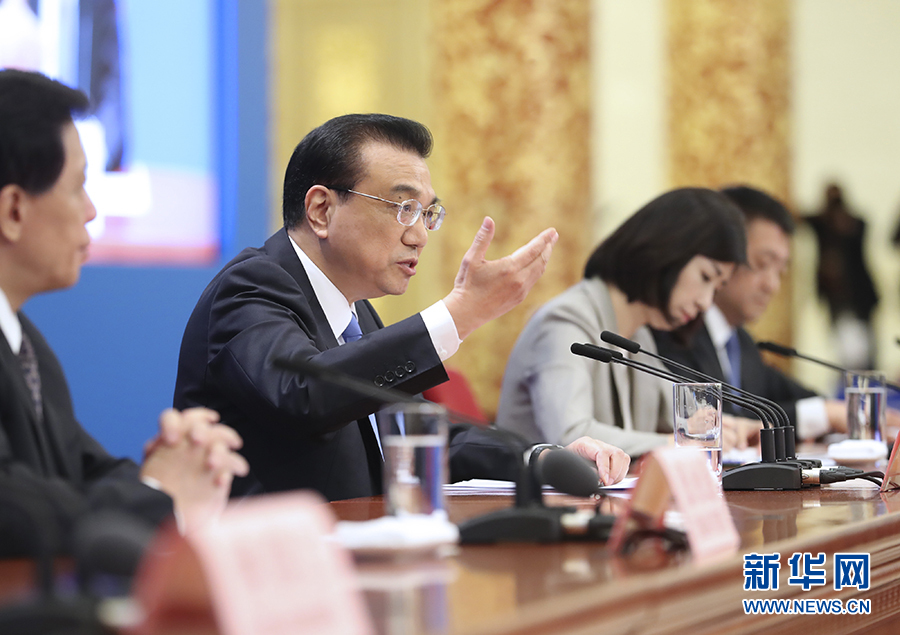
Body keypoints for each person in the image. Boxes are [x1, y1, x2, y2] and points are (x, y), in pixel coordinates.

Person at [173, 114, 630, 500]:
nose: (420, 235)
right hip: (272, 567)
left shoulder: (356, 314)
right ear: (321, 210)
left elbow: (418, 435)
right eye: (403, 207)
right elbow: (303, 396)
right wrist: (460, 314)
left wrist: (543, 458)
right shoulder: (250, 287)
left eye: (427, 213)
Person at [0, 69, 249, 555]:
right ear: (13, 210)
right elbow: (11, 508)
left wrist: (176, 466)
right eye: (78, 187)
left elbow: (84, 471)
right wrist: (158, 491)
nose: (91, 211)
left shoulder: (25, 342)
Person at [495, 188, 746, 457]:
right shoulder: (564, 322)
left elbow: (686, 418)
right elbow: (573, 436)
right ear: (668, 248)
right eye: (706, 277)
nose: (706, 303)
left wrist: (732, 427)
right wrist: (677, 442)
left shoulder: (639, 336)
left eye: (716, 288)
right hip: (531, 485)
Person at [654, 185, 900, 441]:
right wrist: (824, 415)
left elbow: (796, 399)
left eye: (781, 271)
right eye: (762, 264)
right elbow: (715, 421)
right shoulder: (674, 331)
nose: (773, 285)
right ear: (722, 252)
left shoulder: (740, 342)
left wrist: (847, 413)